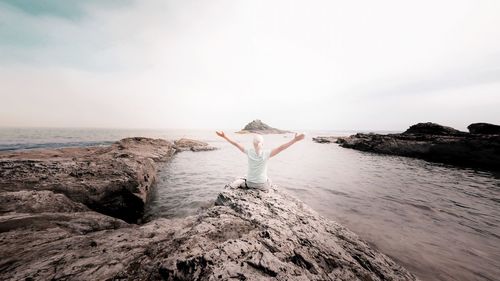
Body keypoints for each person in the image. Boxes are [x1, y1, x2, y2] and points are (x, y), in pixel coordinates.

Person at [215, 131, 305, 190]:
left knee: (245, 178)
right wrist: (295, 140)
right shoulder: (267, 153)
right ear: (263, 143)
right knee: (269, 180)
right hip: (262, 185)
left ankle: (242, 182)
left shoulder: (249, 152)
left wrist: (224, 136)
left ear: (252, 143)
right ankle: (244, 181)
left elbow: (235, 144)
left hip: (250, 184)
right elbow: (281, 148)